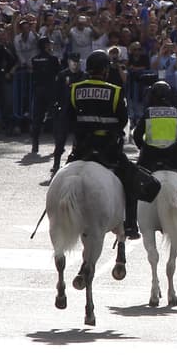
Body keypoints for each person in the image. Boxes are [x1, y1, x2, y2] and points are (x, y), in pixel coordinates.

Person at [62, 50, 153, 239]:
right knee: (129, 181)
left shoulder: (74, 88)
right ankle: (130, 225)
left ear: (88, 70)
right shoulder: (115, 91)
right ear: (105, 71)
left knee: (63, 177)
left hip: (82, 148)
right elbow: (121, 121)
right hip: (108, 149)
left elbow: (68, 119)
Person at [132, 80, 177, 223]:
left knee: (134, 183)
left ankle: (130, 222)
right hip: (173, 157)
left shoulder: (148, 113)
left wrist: (144, 148)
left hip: (149, 157)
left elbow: (137, 135)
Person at [50, 52, 87, 174]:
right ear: (69, 62)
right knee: (60, 140)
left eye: (77, 61)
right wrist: (55, 108)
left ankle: (75, 165)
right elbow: (56, 93)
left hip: (78, 111)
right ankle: (56, 164)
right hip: (65, 111)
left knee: (79, 140)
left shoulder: (84, 76)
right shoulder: (62, 75)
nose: (75, 64)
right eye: (73, 61)